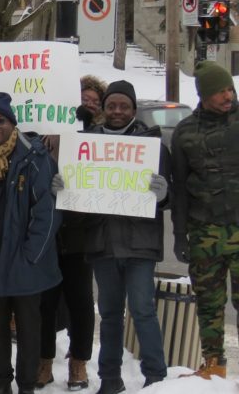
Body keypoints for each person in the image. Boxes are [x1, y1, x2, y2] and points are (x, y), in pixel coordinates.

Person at [54, 80, 170, 393]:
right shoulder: (86, 145)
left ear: (134, 109)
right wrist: (63, 189)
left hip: (140, 244)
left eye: (124, 106)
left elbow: (169, 194)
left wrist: (163, 194)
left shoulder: (152, 145)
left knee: (142, 310)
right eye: (112, 105)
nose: (118, 111)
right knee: (109, 314)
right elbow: (76, 203)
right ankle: (110, 378)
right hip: (102, 243)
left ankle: (156, 377)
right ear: (104, 109)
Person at [0, 93, 62, 394]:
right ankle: (1, 383)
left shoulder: (34, 157)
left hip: (25, 254)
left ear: (12, 123)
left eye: (0, 120)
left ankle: (26, 385)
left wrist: (32, 254)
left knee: (28, 325)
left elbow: (47, 211)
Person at [33, 76, 105, 390]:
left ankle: (79, 363)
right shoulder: (47, 135)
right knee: (45, 302)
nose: (88, 104)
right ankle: (44, 361)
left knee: (81, 302)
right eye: (83, 98)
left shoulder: (103, 138)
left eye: (94, 101)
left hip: (80, 232)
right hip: (49, 232)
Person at [172, 61, 239, 380]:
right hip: (204, 231)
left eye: (230, 89)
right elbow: (179, 188)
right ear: (204, 94)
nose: (228, 96)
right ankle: (214, 364)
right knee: (209, 303)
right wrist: (179, 235)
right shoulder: (185, 132)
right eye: (220, 91)